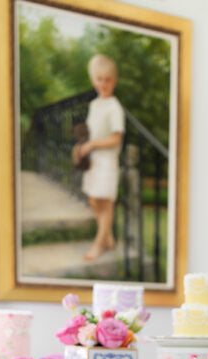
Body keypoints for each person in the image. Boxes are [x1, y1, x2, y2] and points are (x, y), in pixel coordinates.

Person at [77, 54, 125, 261]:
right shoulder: (94, 105)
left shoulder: (114, 107)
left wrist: (94, 144)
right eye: (99, 79)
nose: (103, 84)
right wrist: (82, 147)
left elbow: (116, 138)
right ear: (93, 80)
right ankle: (108, 237)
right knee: (93, 200)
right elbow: (92, 133)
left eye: (108, 80)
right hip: (94, 162)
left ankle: (99, 244)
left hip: (107, 162)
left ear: (114, 81)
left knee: (105, 203)